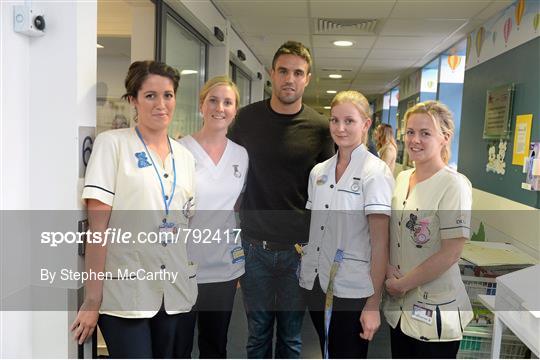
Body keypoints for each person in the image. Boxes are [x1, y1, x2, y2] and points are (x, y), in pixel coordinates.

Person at [71, 60, 197, 358]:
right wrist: (92, 301)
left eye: (168, 95)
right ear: (133, 100)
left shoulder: (186, 157)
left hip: (175, 293)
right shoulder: (112, 145)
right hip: (126, 294)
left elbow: (184, 224)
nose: (161, 104)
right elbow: (98, 230)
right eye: (150, 95)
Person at [228, 40, 335, 358]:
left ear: (308, 78)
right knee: (257, 335)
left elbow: (327, 190)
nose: (290, 79)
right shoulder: (245, 120)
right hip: (253, 248)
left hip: (298, 252)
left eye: (298, 73)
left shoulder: (319, 128)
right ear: (271, 73)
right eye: (284, 71)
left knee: (290, 337)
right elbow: (229, 173)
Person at [300, 91, 394, 358]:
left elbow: (380, 244)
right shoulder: (319, 172)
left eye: (349, 121)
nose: (340, 128)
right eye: (334, 120)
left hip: (353, 289)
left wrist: (373, 304)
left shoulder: (374, 173)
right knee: (327, 350)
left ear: (366, 124)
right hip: (317, 283)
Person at [383, 101, 473, 358]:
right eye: (410, 132)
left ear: (445, 138)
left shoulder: (454, 186)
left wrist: (402, 284)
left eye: (425, 133)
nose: (415, 140)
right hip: (399, 309)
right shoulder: (402, 179)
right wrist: (389, 268)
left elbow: (450, 254)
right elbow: (395, 233)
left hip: (434, 310)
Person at [178, 76, 248, 358]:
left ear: (235, 110)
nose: (220, 108)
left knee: (215, 345)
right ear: (201, 105)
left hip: (223, 270)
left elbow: (235, 209)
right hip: (182, 266)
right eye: (213, 100)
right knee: (177, 346)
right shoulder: (179, 150)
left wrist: (237, 257)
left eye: (228, 102)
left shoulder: (241, 155)